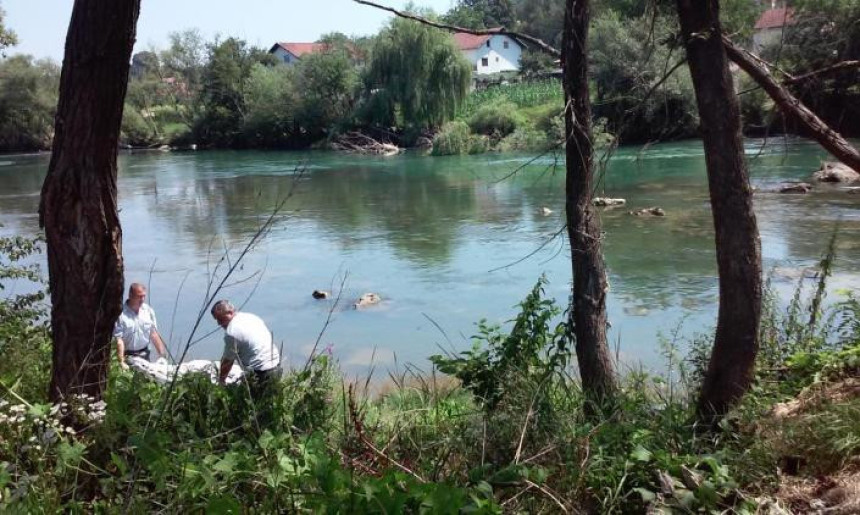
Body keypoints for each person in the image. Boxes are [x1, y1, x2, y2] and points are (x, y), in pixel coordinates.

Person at [211, 300, 282, 398]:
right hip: (276, 365)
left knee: (249, 405)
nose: (219, 324)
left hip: (261, 374)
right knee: (272, 404)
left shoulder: (232, 332)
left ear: (230, 312)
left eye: (221, 319)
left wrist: (221, 382)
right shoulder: (251, 317)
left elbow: (227, 362)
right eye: (217, 320)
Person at [114, 283, 168, 369]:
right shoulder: (121, 314)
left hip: (145, 355)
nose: (142, 299)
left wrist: (162, 355)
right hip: (128, 356)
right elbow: (119, 340)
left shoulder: (148, 311)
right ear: (130, 295)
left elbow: (154, 334)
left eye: (144, 296)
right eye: (139, 296)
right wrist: (121, 361)